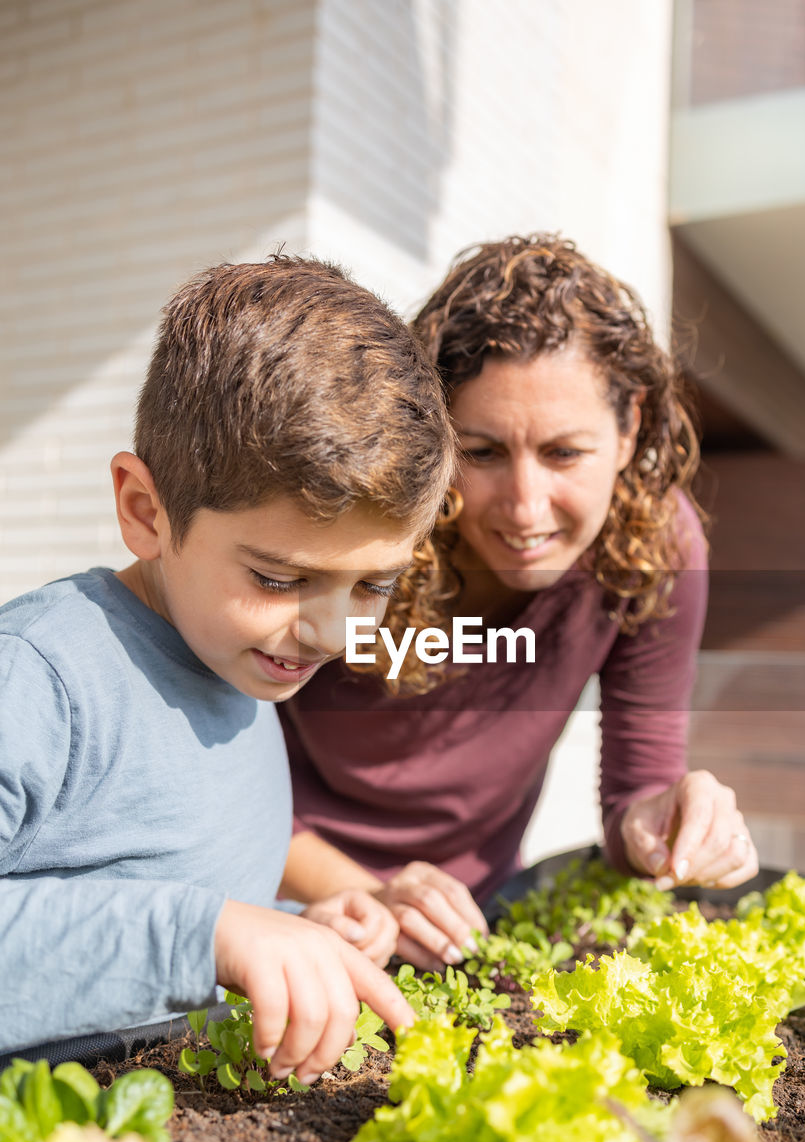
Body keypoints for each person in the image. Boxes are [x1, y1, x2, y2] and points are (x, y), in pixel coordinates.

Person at [0, 253, 458, 1079]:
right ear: (146, 510)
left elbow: (175, 889)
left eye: (373, 586)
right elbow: (176, 931)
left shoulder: (246, 667)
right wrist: (208, 936)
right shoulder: (41, 679)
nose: (330, 632)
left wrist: (295, 923)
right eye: (279, 579)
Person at [279, 234, 759, 971]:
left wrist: (660, 822)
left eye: (564, 453)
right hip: (286, 895)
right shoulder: (368, 528)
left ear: (628, 427)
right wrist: (362, 894)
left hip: (474, 918)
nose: (526, 508)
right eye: (481, 453)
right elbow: (208, 773)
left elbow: (635, 791)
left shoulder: (656, 548)